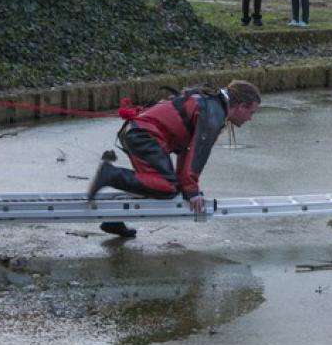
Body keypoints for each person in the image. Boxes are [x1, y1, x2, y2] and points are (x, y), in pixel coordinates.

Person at [87, 80, 261, 238]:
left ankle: (113, 219)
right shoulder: (213, 113)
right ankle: (110, 174)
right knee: (168, 186)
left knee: (154, 184)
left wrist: (187, 187)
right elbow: (198, 153)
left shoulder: (212, 104)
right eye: (251, 112)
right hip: (145, 135)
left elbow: (187, 150)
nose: (250, 118)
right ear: (240, 106)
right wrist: (192, 191)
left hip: (139, 132)